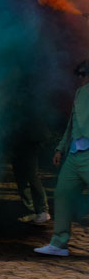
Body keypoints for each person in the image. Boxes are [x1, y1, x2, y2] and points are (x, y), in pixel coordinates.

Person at [35, 60, 89, 256]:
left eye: (83, 74)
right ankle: (59, 244)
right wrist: (60, 148)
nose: (80, 79)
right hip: (75, 157)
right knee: (63, 194)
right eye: (79, 75)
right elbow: (72, 124)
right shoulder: (79, 93)